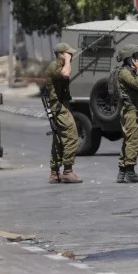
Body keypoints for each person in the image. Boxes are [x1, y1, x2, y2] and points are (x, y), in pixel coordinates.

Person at [45, 42, 82, 184]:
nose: (71, 56)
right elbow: (66, 74)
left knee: (59, 140)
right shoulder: (55, 66)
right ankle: (67, 171)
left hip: (61, 106)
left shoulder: (58, 66)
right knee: (72, 136)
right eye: (68, 54)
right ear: (61, 54)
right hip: (58, 108)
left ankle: (54, 173)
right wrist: (67, 60)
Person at [115, 44, 138, 184]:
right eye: (135, 56)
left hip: (132, 109)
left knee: (128, 140)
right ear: (130, 58)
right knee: (134, 141)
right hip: (130, 110)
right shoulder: (124, 72)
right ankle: (130, 173)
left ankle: (122, 173)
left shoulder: (128, 71)